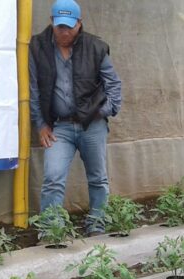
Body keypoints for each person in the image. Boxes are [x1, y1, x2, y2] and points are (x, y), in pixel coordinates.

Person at [29, 0, 123, 235]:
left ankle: (97, 225)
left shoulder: (96, 47)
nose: (65, 31)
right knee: (52, 177)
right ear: (51, 22)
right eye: (60, 26)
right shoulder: (38, 46)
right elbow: (33, 89)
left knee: (98, 178)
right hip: (58, 127)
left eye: (70, 26)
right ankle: (52, 231)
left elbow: (114, 84)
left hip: (92, 125)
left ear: (79, 23)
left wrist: (104, 110)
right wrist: (40, 124)